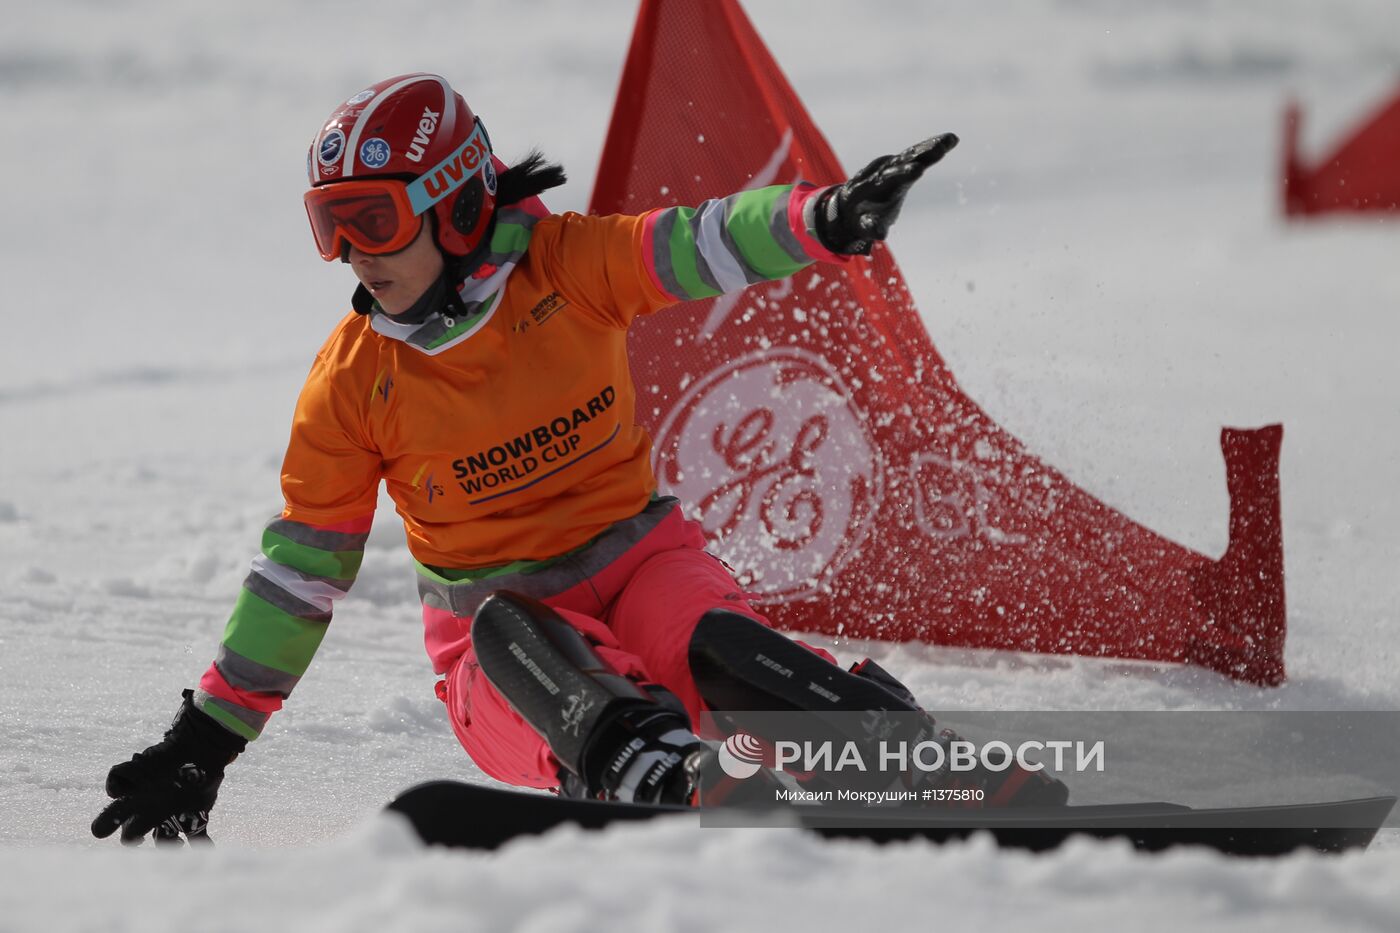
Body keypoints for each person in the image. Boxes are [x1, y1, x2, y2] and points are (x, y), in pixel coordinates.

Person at [92, 73, 1062, 846]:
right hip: (515, 675)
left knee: (716, 648)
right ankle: (643, 767)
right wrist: (204, 745)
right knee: (509, 626)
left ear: (456, 204)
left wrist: (822, 219)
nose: (351, 253)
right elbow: (301, 576)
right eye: (328, 225)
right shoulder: (352, 385)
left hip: (644, 567)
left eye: (373, 221)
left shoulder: (566, 270)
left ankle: (886, 749)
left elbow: (694, 244)